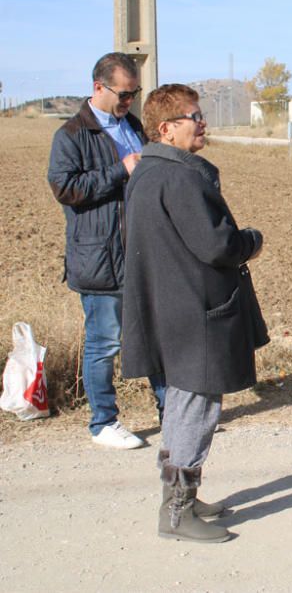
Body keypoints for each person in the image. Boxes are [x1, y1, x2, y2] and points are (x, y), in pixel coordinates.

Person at [121, 84, 267, 543]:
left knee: (183, 407)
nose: (202, 122)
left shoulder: (147, 172)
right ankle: (176, 514)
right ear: (166, 129)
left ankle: (183, 496)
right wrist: (250, 241)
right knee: (196, 409)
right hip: (197, 312)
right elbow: (215, 244)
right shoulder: (180, 177)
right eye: (193, 116)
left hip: (174, 308)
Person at [47, 52, 166, 449]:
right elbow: (66, 189)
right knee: (105, 342)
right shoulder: (71, 135)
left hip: (142, 255)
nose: (130, 101)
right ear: (98, 87)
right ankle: (103, 422)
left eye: (135, 93)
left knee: (155, 335)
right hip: (99, 258)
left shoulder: (132, 126)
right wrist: (122, 169)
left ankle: (171, 413)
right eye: (124, 93)